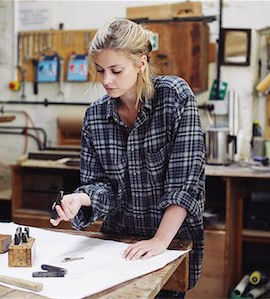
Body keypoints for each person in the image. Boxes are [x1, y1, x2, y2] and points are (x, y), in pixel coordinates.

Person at [50, 18, 205, 298]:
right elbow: (102, 187)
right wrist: (80, 199)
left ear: (141, 63)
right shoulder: (95, 117)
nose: (106, 80)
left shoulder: (175, 98)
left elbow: (185, 184)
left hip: (168, 242)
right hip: (118, 245)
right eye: (100, 70)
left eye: (116, 70)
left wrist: (159, 241)